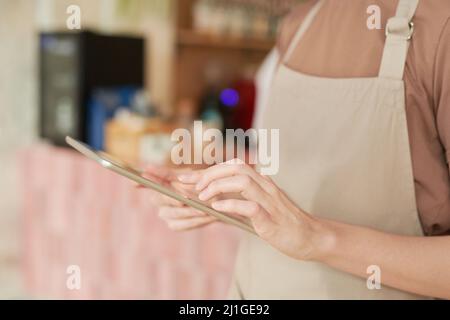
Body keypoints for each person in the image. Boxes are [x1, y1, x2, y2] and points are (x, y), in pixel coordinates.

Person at [145, 0, 450, 299]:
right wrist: (219, 191)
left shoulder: (440, 25)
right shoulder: (299, 25)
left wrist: (319, 239)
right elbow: (298, 178)